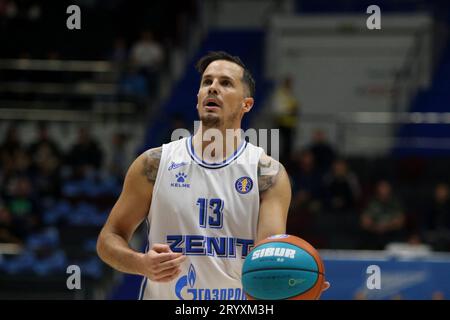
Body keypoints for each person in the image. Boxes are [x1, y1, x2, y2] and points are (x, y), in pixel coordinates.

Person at [96, 51, 329, 300]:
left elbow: (266, 261)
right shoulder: (154, 163)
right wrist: (141, 263)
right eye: (207, 82)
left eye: (225, 83)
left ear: (246, 104)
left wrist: (293, 286)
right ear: (197, 99)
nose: (213, 88)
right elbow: (108, 240)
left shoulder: (268, 174)